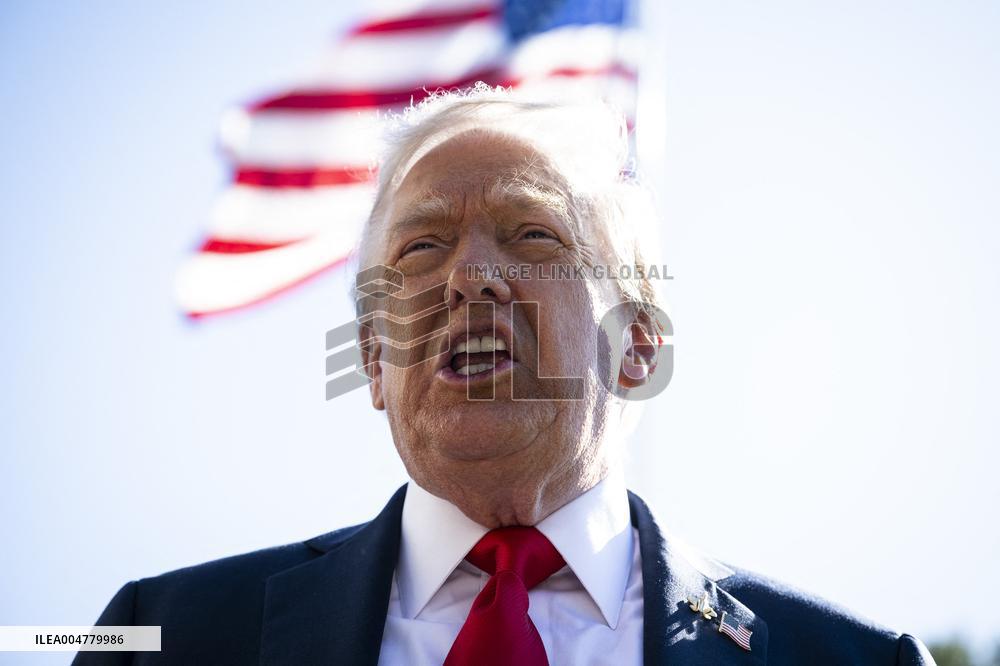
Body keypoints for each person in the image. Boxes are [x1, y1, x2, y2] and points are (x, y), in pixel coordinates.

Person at [74, 86, 935, 665]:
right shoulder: (164, 636)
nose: (467, 277)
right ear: (375, 360)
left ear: (639, 345)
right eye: (421, 246)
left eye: (533, 235)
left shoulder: (856, 660)